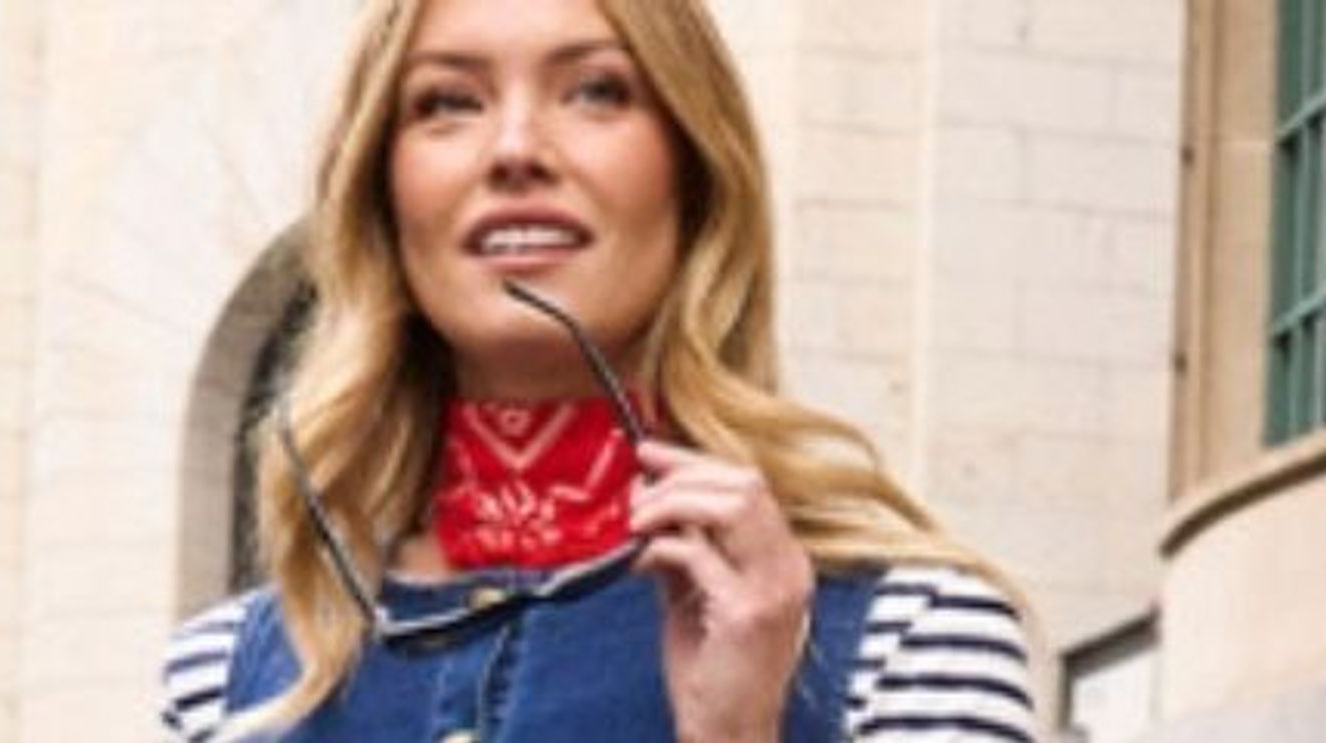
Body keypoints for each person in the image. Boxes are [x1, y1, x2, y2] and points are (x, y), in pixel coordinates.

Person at [159, 0, 1036, 740]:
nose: (514, 148)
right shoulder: (230, 675)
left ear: (693, 174)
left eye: (595, 91)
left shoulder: (911, 635)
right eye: (447, 103)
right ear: (385, 195)